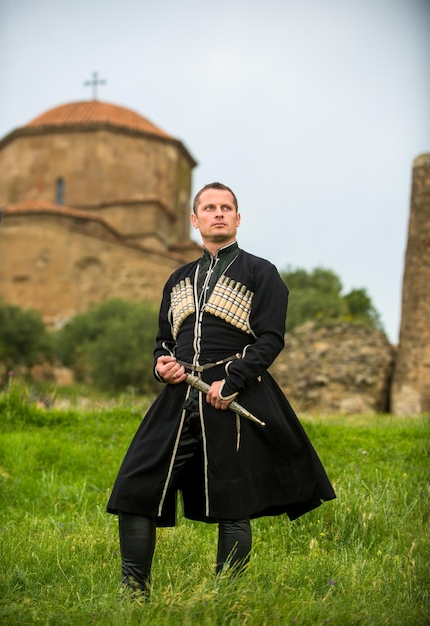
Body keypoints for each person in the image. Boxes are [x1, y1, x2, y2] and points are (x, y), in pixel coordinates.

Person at [107, 182, 336, 596]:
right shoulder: (178, 279)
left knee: (234, 501)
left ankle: (224, 596)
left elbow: (270, 338)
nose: (218, 213)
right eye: (209, 208)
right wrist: (162, 365)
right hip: (179, 398)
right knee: (134, 487)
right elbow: (163, 340)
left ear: (237, 218)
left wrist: (232, 382)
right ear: (195, 220)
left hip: (234, 393)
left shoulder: (259, 272)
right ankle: (133, 592)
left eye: (226, 208)